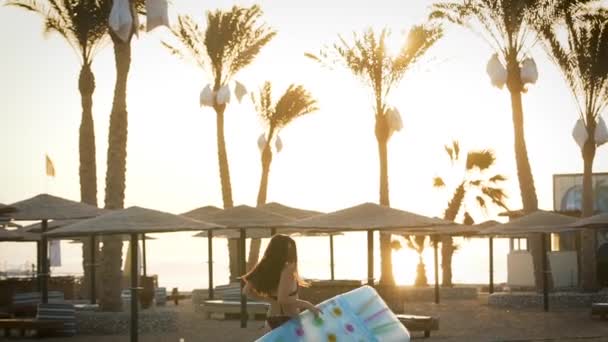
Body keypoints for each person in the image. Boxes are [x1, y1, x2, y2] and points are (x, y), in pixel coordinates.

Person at [242, 234, 321, 330]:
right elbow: (283, 299)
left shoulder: (264, 267)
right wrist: (308, 305)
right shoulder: (288, 269)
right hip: (288, 320)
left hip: (271, 319)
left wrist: (271, 300)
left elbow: (246, 291)